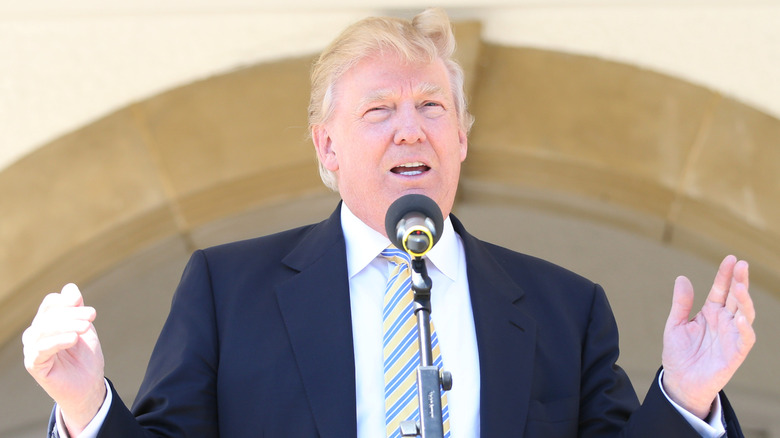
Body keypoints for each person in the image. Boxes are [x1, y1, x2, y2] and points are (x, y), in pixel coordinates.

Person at [22, 8, 756, 438]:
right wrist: (86, 406)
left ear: (462, 139)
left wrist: (686, 399)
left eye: (432, 107)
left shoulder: (566, 308)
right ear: (327, 145)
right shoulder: (227, 291)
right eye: (380, 111)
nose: (412, 130)